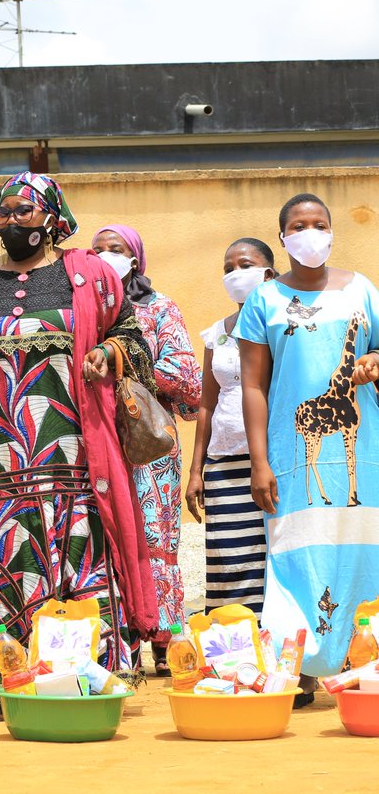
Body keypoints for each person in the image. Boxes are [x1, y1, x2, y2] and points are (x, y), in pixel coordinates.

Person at [0, 173, 158, 695]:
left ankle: (85, 673)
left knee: (78, 551)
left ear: (51, 217)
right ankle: (3, 675)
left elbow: (134, 341)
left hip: (74, 455)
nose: (11, 220)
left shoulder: (87, 275)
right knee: (4, 554)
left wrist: (107, 353)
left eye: (23, 210)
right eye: (3, 212)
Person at [236, 193, 379, 704]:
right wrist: (259, 462)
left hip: (363, 452)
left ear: (333, 231)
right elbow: (253, 385)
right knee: (296, 554)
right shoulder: (265, 301)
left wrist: (373, 363)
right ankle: (297, 666)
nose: (310, 232)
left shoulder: (362, 290)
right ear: (283, 237)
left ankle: (364, 664)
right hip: (292, 455)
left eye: (320, 224)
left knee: (363, 552)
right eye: (299, 225)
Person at [92, 224, 201, 674]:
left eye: (115, 249)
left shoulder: (158, 309)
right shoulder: (83, 309)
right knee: (106, 533)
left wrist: (122, 366)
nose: (104, 256)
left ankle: (162, 637)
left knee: (152, 532)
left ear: (135, 259)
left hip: (147, 441)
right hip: (94, 436)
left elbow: (189, 378)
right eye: (96, 250)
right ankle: (116, 638)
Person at [185, 239, 276, 615]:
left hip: (273, 458)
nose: (235, 274)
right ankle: (233, 641)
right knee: (229, 556)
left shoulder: (283, 327)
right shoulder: (216, 334)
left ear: (268, 273)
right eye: (228, 268)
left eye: (245, 265)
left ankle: (278, 639)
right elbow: (207, 404)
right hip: (224, 460)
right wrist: (195, 471)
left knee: (273, 552)